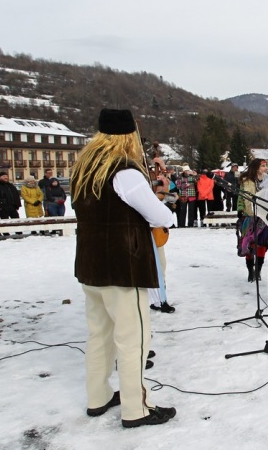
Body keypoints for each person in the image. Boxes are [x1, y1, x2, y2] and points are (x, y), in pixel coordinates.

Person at [71, 109, 176, 428]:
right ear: (128, 136)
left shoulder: (85, 167)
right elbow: (159, 216)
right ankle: (136, 408)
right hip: (122, 267)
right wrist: (168, 210)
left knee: (99, 334)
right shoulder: (124, 171)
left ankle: (98, 396)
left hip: (91, 265)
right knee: (133, 339)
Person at [237, 158, 268, 282]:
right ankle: (250, 270)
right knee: (248, 244)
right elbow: (241, 196)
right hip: (249, 215)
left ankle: (258, 270)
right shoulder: (246, 181)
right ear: (256, 167)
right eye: (263, 166)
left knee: (262, 245)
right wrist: (240, 209)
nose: (266, 168)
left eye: (266, 165)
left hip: (264, 217)